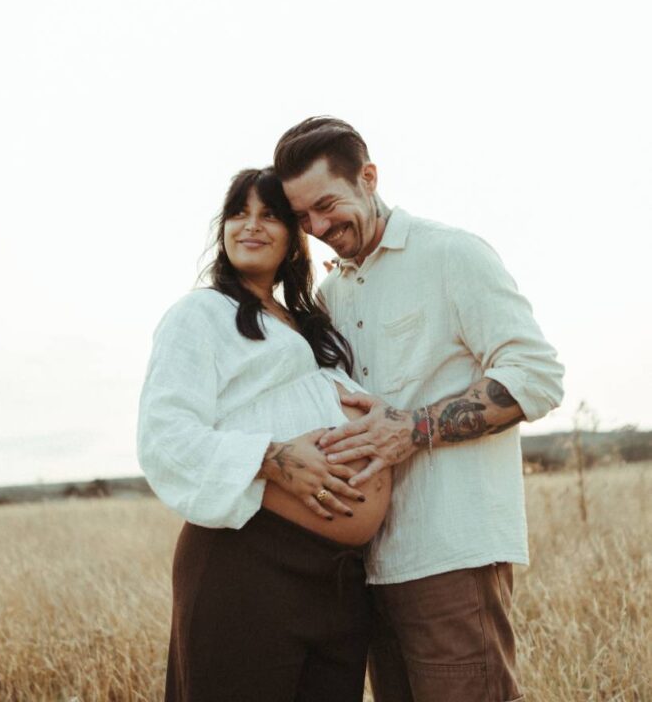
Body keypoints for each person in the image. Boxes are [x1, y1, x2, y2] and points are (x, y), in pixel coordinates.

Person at [273, 116, 565, 702]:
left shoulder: (451, 254)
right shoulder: (333, 294)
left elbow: (537, 375)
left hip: (450, 555)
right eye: (303, 218)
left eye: (327, 205)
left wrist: (414, 429)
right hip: (372, 564)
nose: (320, 226)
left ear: (369, 178)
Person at [137, 167, 392, 702]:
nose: (250, 226)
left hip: (338, 580)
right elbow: (164, 436)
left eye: (270, 214)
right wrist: (272, 457)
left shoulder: (313, 323)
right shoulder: (200, 314)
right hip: (249, 562)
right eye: (238, 212)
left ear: (295, 235)